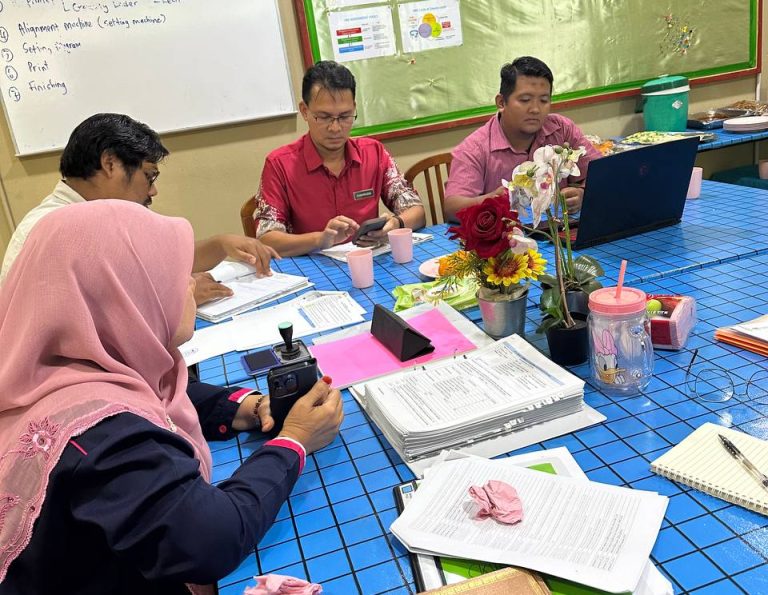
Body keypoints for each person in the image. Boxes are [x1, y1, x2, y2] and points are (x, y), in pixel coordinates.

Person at [0, 200, 344, 594]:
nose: (191, 283)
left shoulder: (50, 365)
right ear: (123, 293)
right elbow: (211, 540)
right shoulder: (104, 439)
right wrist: (293, 441)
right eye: (173, 273)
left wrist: (245, 407)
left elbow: (153, 389)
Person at [0, 113, 279, 306]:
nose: (152, 191)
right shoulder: (60, 229)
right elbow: (92, 324)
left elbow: (158, 259)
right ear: (110, 165)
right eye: (149, 176)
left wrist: (221, 244)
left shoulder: (96, 212)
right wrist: (175, 299)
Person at [252, 60, 426, 257]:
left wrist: (395, 224)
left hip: (368, 261)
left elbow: (416, 212)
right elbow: (267, 239)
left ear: (354, 108)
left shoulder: (373, 153)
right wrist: (320, 239)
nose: (335, 128)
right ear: (304, 111)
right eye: (324, 117)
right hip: (312, 268)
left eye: (345, 116)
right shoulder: (280, 164)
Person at [443, 57, 601, 222]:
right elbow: (452, 208)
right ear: (501, 102)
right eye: (525, 100)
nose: (535, 109)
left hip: (557, 232)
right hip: (507, 238)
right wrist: (492, 200)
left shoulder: (562, 129)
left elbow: (602, 173)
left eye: (544, 100)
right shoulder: (474, 148)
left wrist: (582, 193)